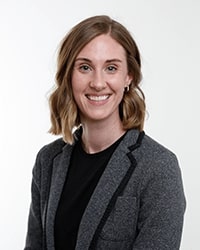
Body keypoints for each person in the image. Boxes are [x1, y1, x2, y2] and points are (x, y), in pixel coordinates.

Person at [24, 15, 186, 250]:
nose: (98, 83)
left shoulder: (158, 167)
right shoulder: (48, 160)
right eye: (85, 67)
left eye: (111, 68)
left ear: (128, 76)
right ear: (69, 76)